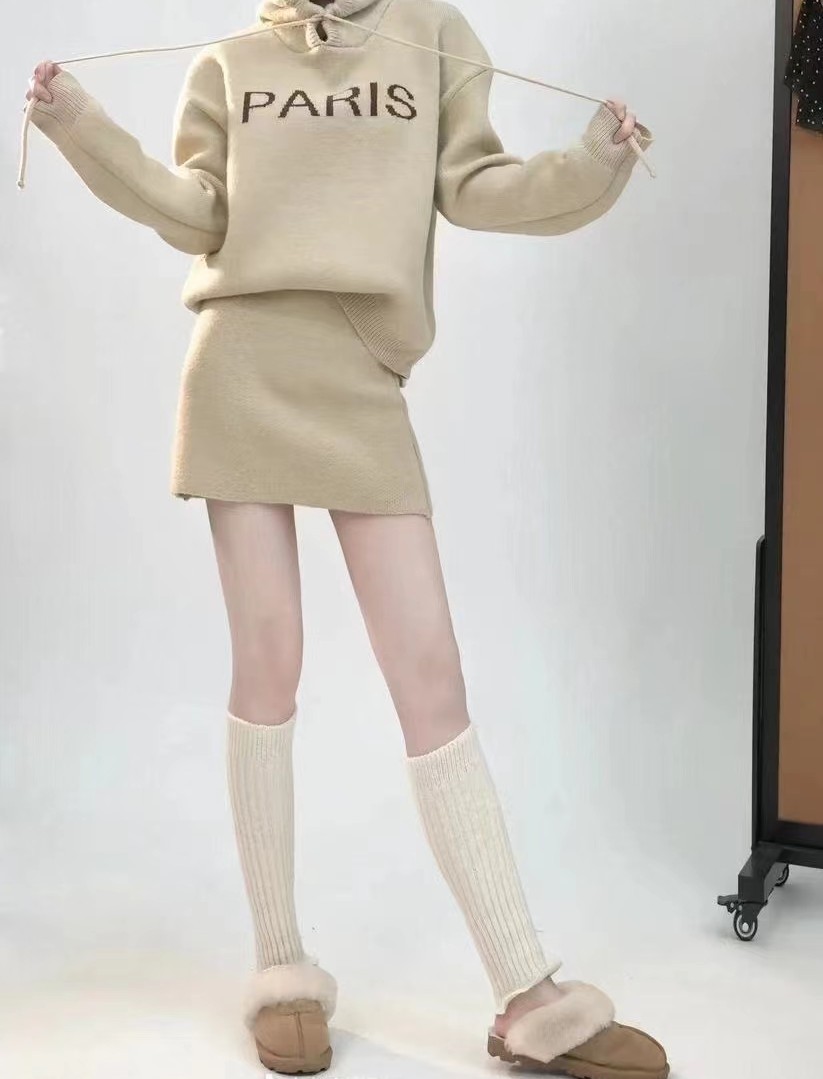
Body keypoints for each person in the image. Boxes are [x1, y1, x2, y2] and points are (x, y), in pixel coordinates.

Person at [25, 1, 667, 1076]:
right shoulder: (231, 60)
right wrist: (78, 123)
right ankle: (280, 964)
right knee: (268, 662)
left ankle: (526, 992)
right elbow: (196, 211)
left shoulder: (432, 32)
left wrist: (592, 163)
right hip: (240, 365)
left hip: (361, 372)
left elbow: (477, 185)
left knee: (431, 675)